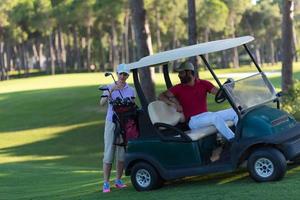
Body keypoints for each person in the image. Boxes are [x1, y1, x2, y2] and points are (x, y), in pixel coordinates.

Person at [158, 61, 238, 141]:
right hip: (193, 121)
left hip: (206, 115)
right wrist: (174, 104)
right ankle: (234, 140)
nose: (179, 76)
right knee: (214, 117)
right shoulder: (178, 88)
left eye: (181, 73)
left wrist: (228, 89)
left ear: (189, 72)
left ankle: (241, 136)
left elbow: (219, 93)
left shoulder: (203, 83)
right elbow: (161, 96)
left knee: (234, 112)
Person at [100, 64, 135, 193]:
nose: (122, 76)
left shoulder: (130, 90)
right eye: (120, 74)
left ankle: (118, 180)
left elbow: (132, 105)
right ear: (117, 73)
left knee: (121, 153)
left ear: (127, 76)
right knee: (109, 151)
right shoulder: (109, 87)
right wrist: (112, 90)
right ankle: (105, 183)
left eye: (125, 74)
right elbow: (102, 103)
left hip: (125, 123)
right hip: (111, 123)